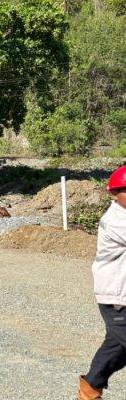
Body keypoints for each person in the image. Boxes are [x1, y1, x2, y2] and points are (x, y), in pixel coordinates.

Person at [80, 165, 126, 400]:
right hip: (117, 297)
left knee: (116, 348)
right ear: (114, 194)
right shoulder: (116, 220)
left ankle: (89, 391)